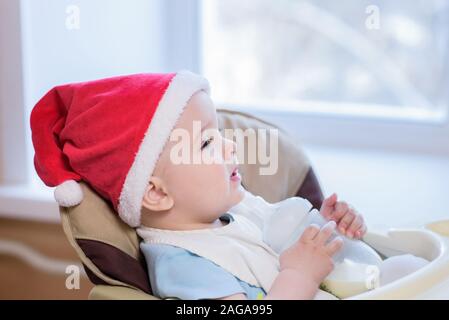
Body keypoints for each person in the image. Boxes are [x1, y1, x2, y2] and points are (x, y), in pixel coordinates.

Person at [30, 70, 427, 300]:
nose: (230, 145)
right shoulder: (184, 266)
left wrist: (326, 230)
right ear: (155, 192)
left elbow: (282, 248)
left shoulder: (229, 214)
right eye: (206, 142)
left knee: (411, 268)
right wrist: (300, 277)